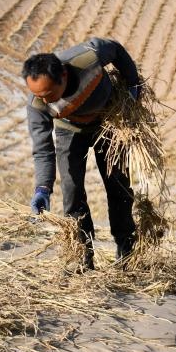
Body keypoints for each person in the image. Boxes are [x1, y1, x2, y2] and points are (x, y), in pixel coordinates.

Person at [22, 37, 141, 272]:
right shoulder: (37, 104)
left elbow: (116, 50)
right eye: (39, 96)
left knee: (119, 187)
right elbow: (43, 149)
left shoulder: (89, 56)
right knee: (72, 192)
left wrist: (133, 84)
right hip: (70, 131)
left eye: (48, 93)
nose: (45, 101)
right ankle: (82, 257)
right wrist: (43, 188)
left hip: (109, 123)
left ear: (63, 76)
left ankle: (126, 252)